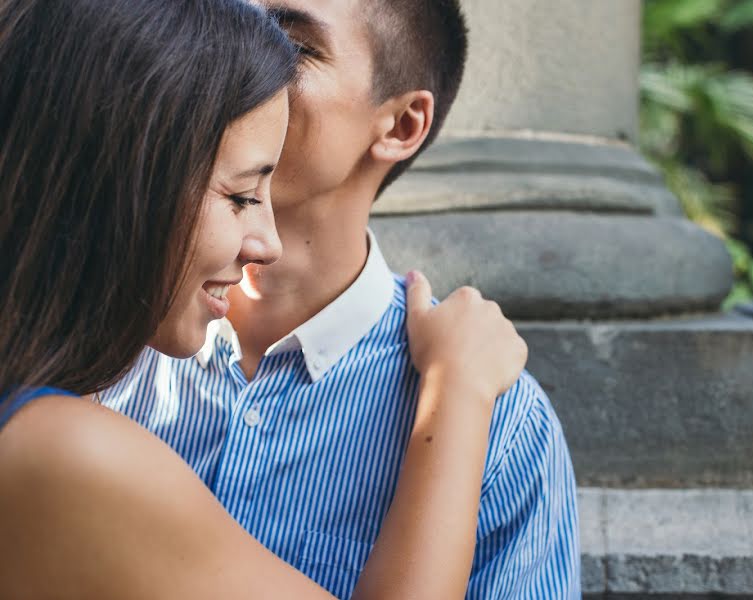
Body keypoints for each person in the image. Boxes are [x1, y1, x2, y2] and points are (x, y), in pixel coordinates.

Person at [0, 1, 527, 598]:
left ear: (403, 124)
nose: (266, 243)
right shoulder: (69, 446)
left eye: (292, 42)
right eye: (242, 195)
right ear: (130, 177)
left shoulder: (513, 429)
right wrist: (454, 395)